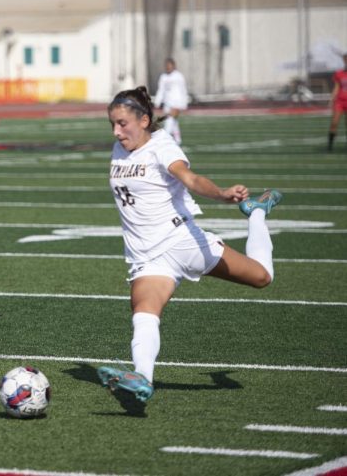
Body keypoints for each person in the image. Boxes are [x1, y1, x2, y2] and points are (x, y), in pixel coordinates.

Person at [97, 86, 282, 402]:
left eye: (122, 123)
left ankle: (256, 215)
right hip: (146, 256)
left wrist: (222, 193)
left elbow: (191, 179)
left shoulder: (162, 146)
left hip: (182, 242)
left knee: (262, 277)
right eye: (112, 124)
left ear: (144, 120)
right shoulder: (121, 148)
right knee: (144, 314)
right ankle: (142, 379)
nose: (116, 131)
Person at [153, 58, 188, 145]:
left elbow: (183, 90)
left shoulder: (178, 76)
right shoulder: (163, 77)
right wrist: (157, 102)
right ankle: (177, 140)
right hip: (167, 104)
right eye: (166, 65)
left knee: (169, 121)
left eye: (169, 65)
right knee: (174, 123)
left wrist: (183, 104)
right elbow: (161, 90)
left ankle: (165, 139)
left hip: (176, 104)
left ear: (173, 65)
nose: (167, 67)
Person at [328, 53, 347, 151]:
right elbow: (336, 87)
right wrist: (332, 99)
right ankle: (330, 146)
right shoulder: (339, 73)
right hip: (340, 101)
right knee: (334, 123)